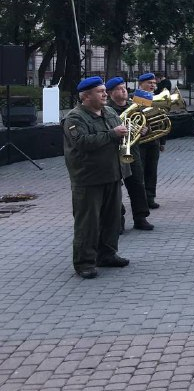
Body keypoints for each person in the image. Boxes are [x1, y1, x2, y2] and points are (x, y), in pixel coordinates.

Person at [64, 77, 130, 279]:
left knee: (112, 220)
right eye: (99, 91)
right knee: (88, 223)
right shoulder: (75, 119)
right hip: (88, 178)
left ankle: (107, 254)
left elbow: (121, 133)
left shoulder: (109, 112)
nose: (104, 94)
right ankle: (84, 262)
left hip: (112, 173)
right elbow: (83, 142)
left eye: (104, 91)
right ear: (86, 96)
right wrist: (112, 134)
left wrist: (132, 132)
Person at [106, 77, 153, 232]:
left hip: (133, 152)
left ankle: (141, 217)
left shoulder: (135, 107)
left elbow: (145, 126)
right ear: (111, 93)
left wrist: (145, 131)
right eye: (119, 88)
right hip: (114, 154)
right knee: (115, 189)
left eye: (124, 87)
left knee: (138, 185)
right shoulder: (107, 110)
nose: (124, 90)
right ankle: (117, 219)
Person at [136, 73, 165, 209]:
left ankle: (150, 197)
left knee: (152, 171)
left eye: (154, 83)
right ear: (140, 84)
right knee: (140, 172)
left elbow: (162, 120)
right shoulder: (135, 99)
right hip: (140, 142)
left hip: (154, 141)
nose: (153, 85)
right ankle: (141, 199)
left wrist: (162, 142)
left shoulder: (156, 98)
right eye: (149, 83)